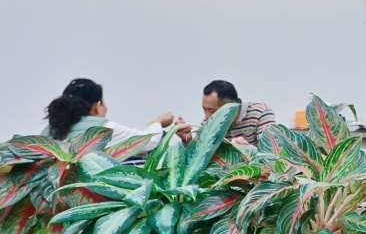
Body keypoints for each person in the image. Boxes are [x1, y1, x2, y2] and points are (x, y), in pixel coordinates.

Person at [42, 78, 178, 153]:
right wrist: (158, 122)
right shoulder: (105, 130)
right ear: (97, 106)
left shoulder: (48, 131)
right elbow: (148, 141)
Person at [193, 80, 276, 146]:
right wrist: (187, 141)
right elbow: (198, 156)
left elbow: (270, 153)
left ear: (231, 107)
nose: (207, 116)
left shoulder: (260, 113)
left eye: (212, 111)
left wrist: (247, 150)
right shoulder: (207, 123)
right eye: (204, 109)